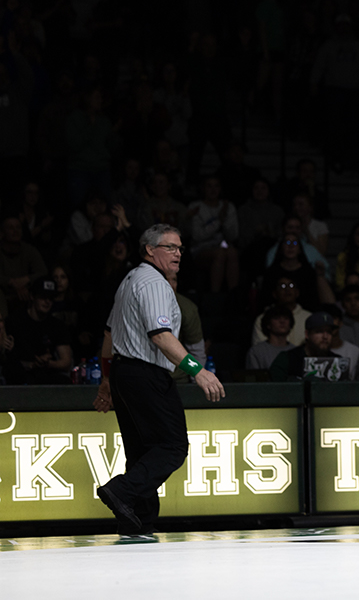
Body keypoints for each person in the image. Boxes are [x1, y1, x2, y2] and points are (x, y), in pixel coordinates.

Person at [92, 224, 225, 535]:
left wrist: (107, 381)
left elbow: (110, 335)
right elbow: (161, 336)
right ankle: (122, 492)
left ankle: (137, 520)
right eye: (170, 247)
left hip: (126, 373)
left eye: (179, 248)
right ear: (150, 250)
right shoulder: (153, 283)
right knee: (172, 446)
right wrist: (198, 371)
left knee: (142, 451)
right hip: (145, 373)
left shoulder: (130, 279)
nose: (177, 253)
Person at [4, 279, 73, 384]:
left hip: (47, 375)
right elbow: (6, 359)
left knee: (64, 381)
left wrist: (47, 363)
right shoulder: (14, 322)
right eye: (43, 297)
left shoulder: (57, 325)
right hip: (20, 376)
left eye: (50, 298)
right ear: (32, 296)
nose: (47, 301)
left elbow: (66, 362)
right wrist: (31, 364)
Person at [269, 311, 349, 381]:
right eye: (319, 331)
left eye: (329, 332)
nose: (325, 336)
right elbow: (275, 391)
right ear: (307, 334)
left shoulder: (338, 361)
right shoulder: (288, 359)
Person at [166, 273, 207, 384]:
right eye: (165, 280)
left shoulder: (187, 308)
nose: (170, 285)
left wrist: (197, 379)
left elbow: (196, 350)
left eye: (174, 280)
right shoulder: (141, 305)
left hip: (177, 380)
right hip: (147, 378)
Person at [251, 276, 313, 347]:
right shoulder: (263, 319)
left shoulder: (309, 317)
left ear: (297, 292)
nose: (287, 289)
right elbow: (260, 350)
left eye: (291, 285)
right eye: (282, 286)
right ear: (274, 294)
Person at [246, 305, 296, 370]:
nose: (282, 321)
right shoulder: (256, 352)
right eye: (277, 318)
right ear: (268, 324)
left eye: (286, 318)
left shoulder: (296, 352)